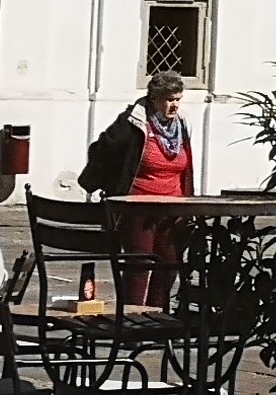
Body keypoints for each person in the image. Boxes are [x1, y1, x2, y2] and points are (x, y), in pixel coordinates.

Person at [82, 70, 194, 305]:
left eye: (177, 99)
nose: (174, 105)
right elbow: (102, 149)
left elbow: (186, 166)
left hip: (173, 207)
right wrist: (108, 185)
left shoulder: (182, 124)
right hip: (138, 206)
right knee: (138, 266)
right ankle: (131, 320)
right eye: (168, 99)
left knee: (170, 265)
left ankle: (157, 318)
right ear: (154, 99)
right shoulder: (134, 122)